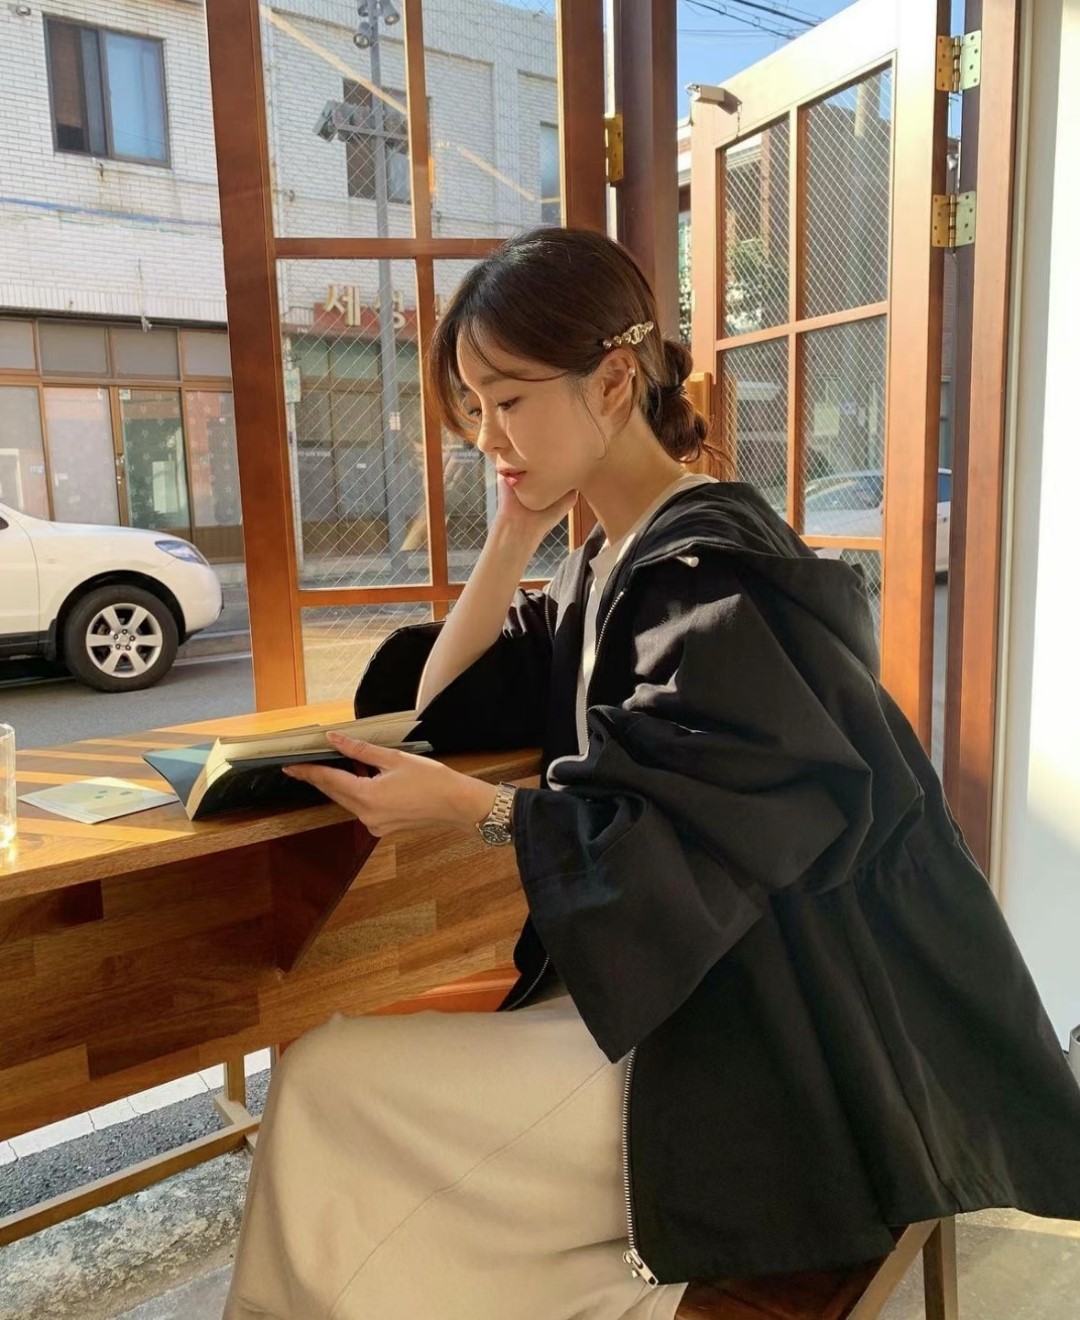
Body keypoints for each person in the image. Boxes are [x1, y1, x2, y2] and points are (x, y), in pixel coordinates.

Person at [224, 228, 1080, 1320]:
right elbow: (444, 699)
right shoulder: (615, 559)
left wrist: (476, 811)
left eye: (509, 400)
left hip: (750, 1042)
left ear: (615, 381)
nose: (488, 436)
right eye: (474, 407)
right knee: (338, 1090)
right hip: (675, 997)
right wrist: (512, 533)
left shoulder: (711, 579)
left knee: (326, 1088)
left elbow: (685, 855)